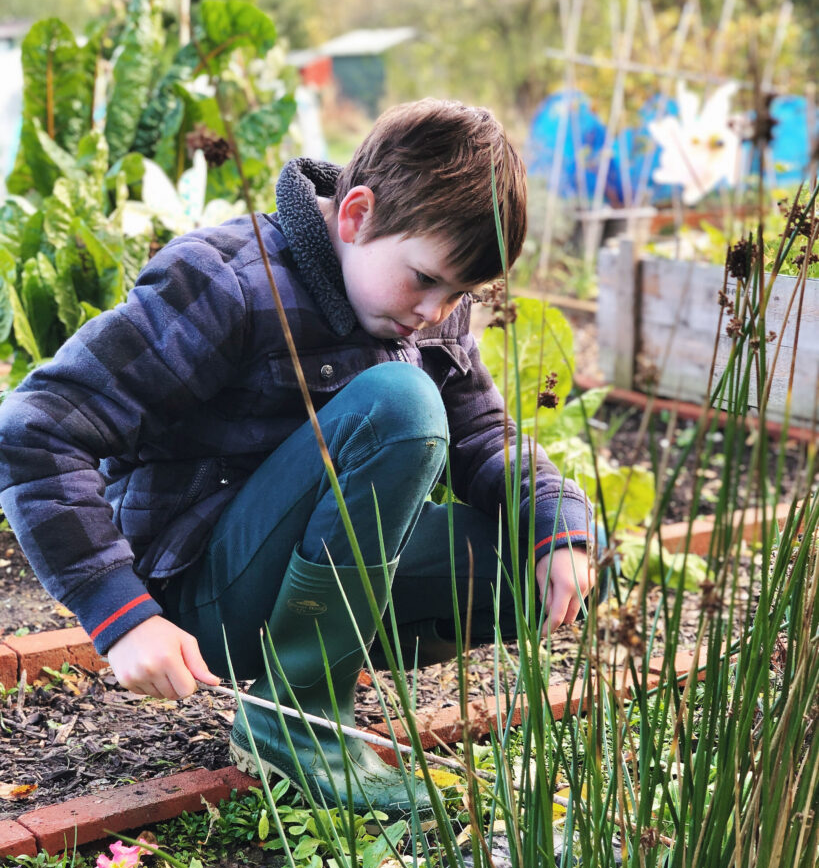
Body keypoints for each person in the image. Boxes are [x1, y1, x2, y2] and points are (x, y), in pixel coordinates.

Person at [0, 99, 595, 822]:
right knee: (400, 405)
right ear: (355, 216)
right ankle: (292, 720)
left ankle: (318, 673)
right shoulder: (227, 281)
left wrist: (556, 521)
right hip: (207, 600)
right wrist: (123, 617)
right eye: (424, 280)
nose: (437, 311)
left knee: (554, 555)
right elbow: (36, 428)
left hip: (316, 584)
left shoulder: (419, 306)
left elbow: (480, 433)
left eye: (458, 294)